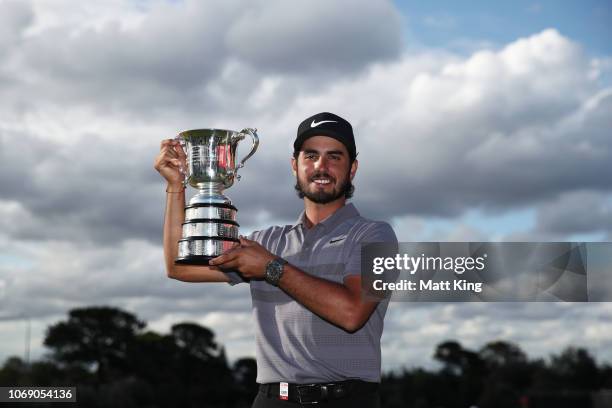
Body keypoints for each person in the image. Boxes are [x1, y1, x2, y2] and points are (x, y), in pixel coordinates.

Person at [154, 112, 397, 407]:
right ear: (295, 166)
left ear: (352, 169)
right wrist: (176, 187)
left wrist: (272, 268)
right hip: (272, 399)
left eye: (334, 157)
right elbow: (180, 268)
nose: (321, 166)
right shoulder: (267, 242)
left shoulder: (376, 235)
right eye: (311, 156)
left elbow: (352, 313)